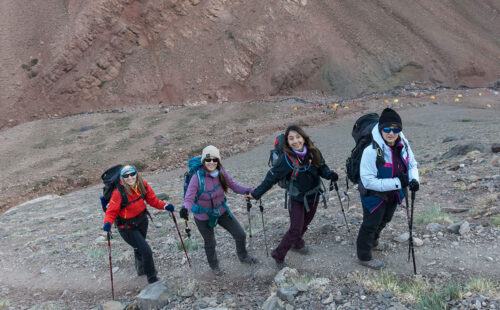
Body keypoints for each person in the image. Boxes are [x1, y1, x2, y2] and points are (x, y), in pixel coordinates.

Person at [245, 125, 339, 269]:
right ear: (287, 142)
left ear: (303, 137)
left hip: (314, 196)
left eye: (298, 137)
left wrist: (329, 175)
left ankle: (297, 243)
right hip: (297, 198)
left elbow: (322, 167)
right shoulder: (286, 159)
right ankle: (278, 254)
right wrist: (255, 194)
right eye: (291, 139)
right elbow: (271, 178)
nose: (295, 141)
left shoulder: (314, 153)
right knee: (295, 228)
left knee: (305, 224)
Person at [356, 108, 419, 269]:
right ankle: (364, 256)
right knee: (370, 224)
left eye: (396, 129)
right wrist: (399, 182)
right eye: (387, 129)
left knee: (385, 219)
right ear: (380, 129)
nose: (391, 133)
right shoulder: (371, 151)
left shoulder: (403, 144)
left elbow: (411, 164)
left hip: (393, 194)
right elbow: (368, 181)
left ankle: (374, 242)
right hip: (374, 195)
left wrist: (413, 180)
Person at [180, 145, 257, 276]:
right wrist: (185, 209)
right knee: (210, 242)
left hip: (221, 211)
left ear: (218, 161)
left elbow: (235, 186)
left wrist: (254, 191)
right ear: (204, 161)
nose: (211, 163)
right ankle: (214, 266)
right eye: (208, 160)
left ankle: (243, 256)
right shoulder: (197, 177)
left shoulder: (221, 172)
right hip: (203, 216)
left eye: (215, 160)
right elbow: (189, 197)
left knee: (240, 234)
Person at [102, 164, 175, 283]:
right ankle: (152, 279)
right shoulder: (118, 192)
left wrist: (165, 206)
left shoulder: (142, 185)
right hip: (126, 227)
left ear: (136, 174)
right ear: (122, 178)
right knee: (146, 250)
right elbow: (111, 211)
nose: (130, 177)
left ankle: (141, 270)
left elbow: (152, 200)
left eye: (132, 174)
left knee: (138, 247)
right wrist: (107, 224)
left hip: (142, 221)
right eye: (126, 176)